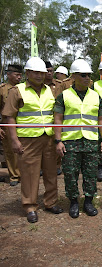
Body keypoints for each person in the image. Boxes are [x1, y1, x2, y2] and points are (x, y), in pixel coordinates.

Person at [2, 57, 63, 223]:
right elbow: (9, 117)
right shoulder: (17, 91)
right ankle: (30, 206)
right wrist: (14, 140)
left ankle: (51, 202)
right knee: (30, 174)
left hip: (48, 138)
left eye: (41, 73)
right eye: (35, 72)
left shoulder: (49, 91)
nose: (39, 75)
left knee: (51, 172)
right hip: (28, 139)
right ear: (27, 73)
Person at [54, 59, 102, 218]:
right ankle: (74, 202)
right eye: (83, 75)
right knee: (70, 173)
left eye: (89, 75)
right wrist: (58, 141)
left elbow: (101, 119)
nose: (87, 78)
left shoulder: (96, 96)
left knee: (90, 174)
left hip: (90, 141)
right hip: (70, 141)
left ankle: (88, 201)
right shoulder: (64, 96)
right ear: (74, 76)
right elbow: (58, 119)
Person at [0, 64, 22, 186]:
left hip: (22, 123)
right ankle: (14, 176)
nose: (19, 77)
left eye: (20, 75)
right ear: (8, 75)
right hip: (7, 124)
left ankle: (23, 173)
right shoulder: (2, 89)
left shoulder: (22, 88)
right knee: (10, 151)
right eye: (16, 75)